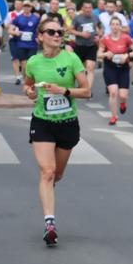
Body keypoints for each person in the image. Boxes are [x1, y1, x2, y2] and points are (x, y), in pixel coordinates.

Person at [23, 18, 91, 246]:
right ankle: (49, 222)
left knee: (57, 175)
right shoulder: (33, 62)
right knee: (47, 171)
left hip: (67, 123)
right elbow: (29, 84)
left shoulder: (71, 58)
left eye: (59, 32)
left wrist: (65, 90)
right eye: (51, 32)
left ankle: (48, 190)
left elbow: (87, 91)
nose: (56, 35)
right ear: (40, 37)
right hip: (42, 121)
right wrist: (30, 92)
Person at [97, 17, 133, 125]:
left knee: (123, 95)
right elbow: (98, 54)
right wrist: (106, 54)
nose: (115, 26)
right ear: (110, 26)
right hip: (110, 67)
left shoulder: (126, 38)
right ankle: (114, 116)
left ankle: (123, 103)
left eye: (117, 24)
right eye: (113, 24)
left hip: (123, 68)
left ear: (120, 26)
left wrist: (127, 55)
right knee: (113, 92)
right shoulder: (105, 39)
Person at [71, 1, 102, 93]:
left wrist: (99, 35)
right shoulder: (77, 18)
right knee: (77, 69)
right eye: (86, 7)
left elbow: (101, 28)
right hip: (79, 46)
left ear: (92, 9)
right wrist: (81, 34)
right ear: (82, 8)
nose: (88, 9)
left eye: (90, 8)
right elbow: (70, 30)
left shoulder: (95, 17)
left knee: (90, 67)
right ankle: (79, 85)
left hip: (91, 46)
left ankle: (87, 90)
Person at [10, 0, 40, 81]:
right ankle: (26, 78)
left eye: (28, 6)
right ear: (23, 7)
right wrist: (16, 33)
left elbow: (39, 29)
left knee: (31, 63)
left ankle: (28, 78)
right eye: (25, 6)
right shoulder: (18, 18)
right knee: (24, 63)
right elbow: (10, 30)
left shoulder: (36, 18)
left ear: (31, 7)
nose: (26, 8)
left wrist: (39, 37)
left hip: (32, 44)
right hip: (21, 44)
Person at [7, 0, 24, 85]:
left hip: (23, 39)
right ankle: (18, 77)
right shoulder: (10, 14)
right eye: (16, 4)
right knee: (15, 58)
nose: (17, 5)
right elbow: (6, 26)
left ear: (22, 5)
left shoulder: (24, 14)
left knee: (23, 59)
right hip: (13, 38)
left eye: (19, 4)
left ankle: (22, 72)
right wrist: (10, 24)